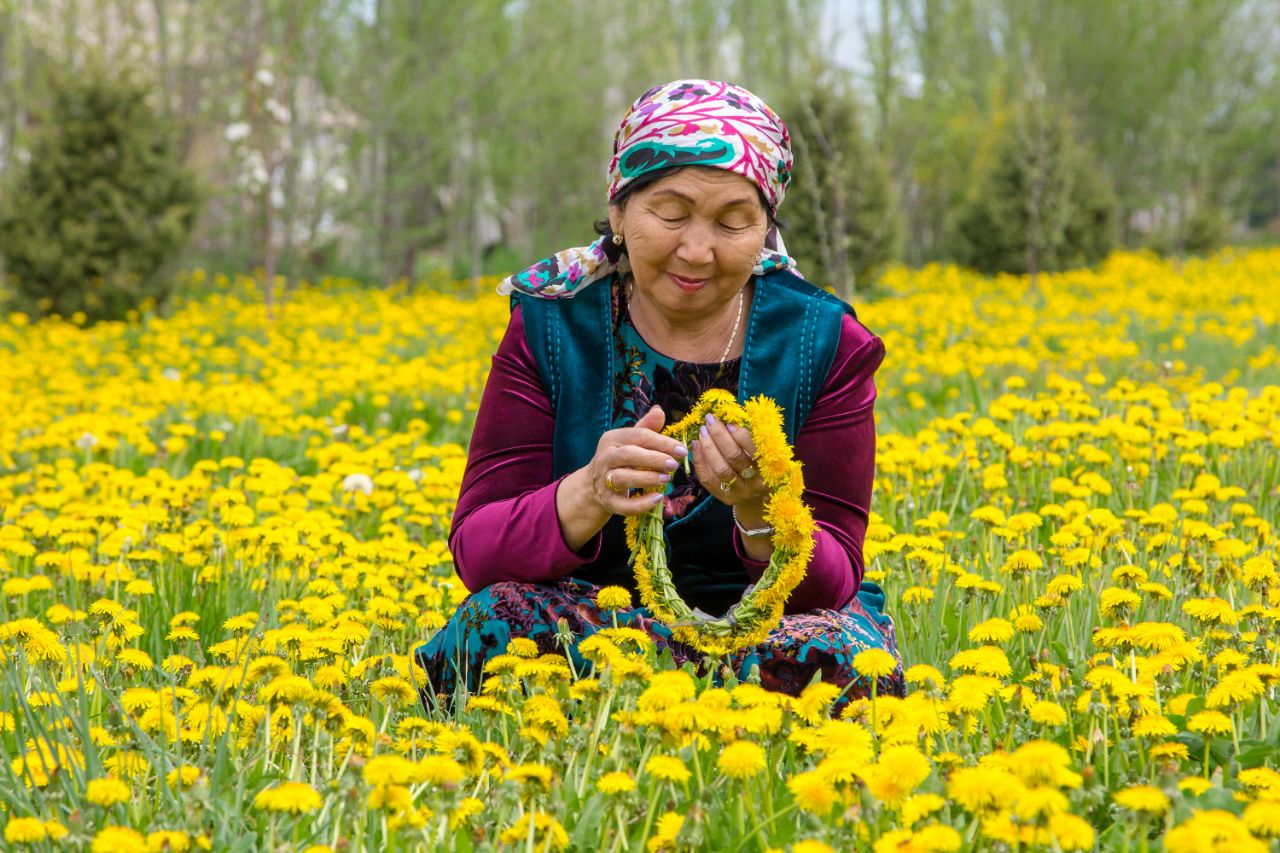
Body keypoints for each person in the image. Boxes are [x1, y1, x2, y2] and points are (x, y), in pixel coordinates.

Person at [415, 79, 905, 710]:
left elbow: (833, 582)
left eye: (734, 221)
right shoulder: (552, 325)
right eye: (670, 214)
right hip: (596, 616)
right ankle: (705, 703)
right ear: (619, 210)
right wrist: (588, 492)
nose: (696, 251)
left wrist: (761, 512)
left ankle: (648, 704)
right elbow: (479, 552)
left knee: (846, 658)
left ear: (766, 231)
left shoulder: (824, 342)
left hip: (767, 629)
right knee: (491, 627)